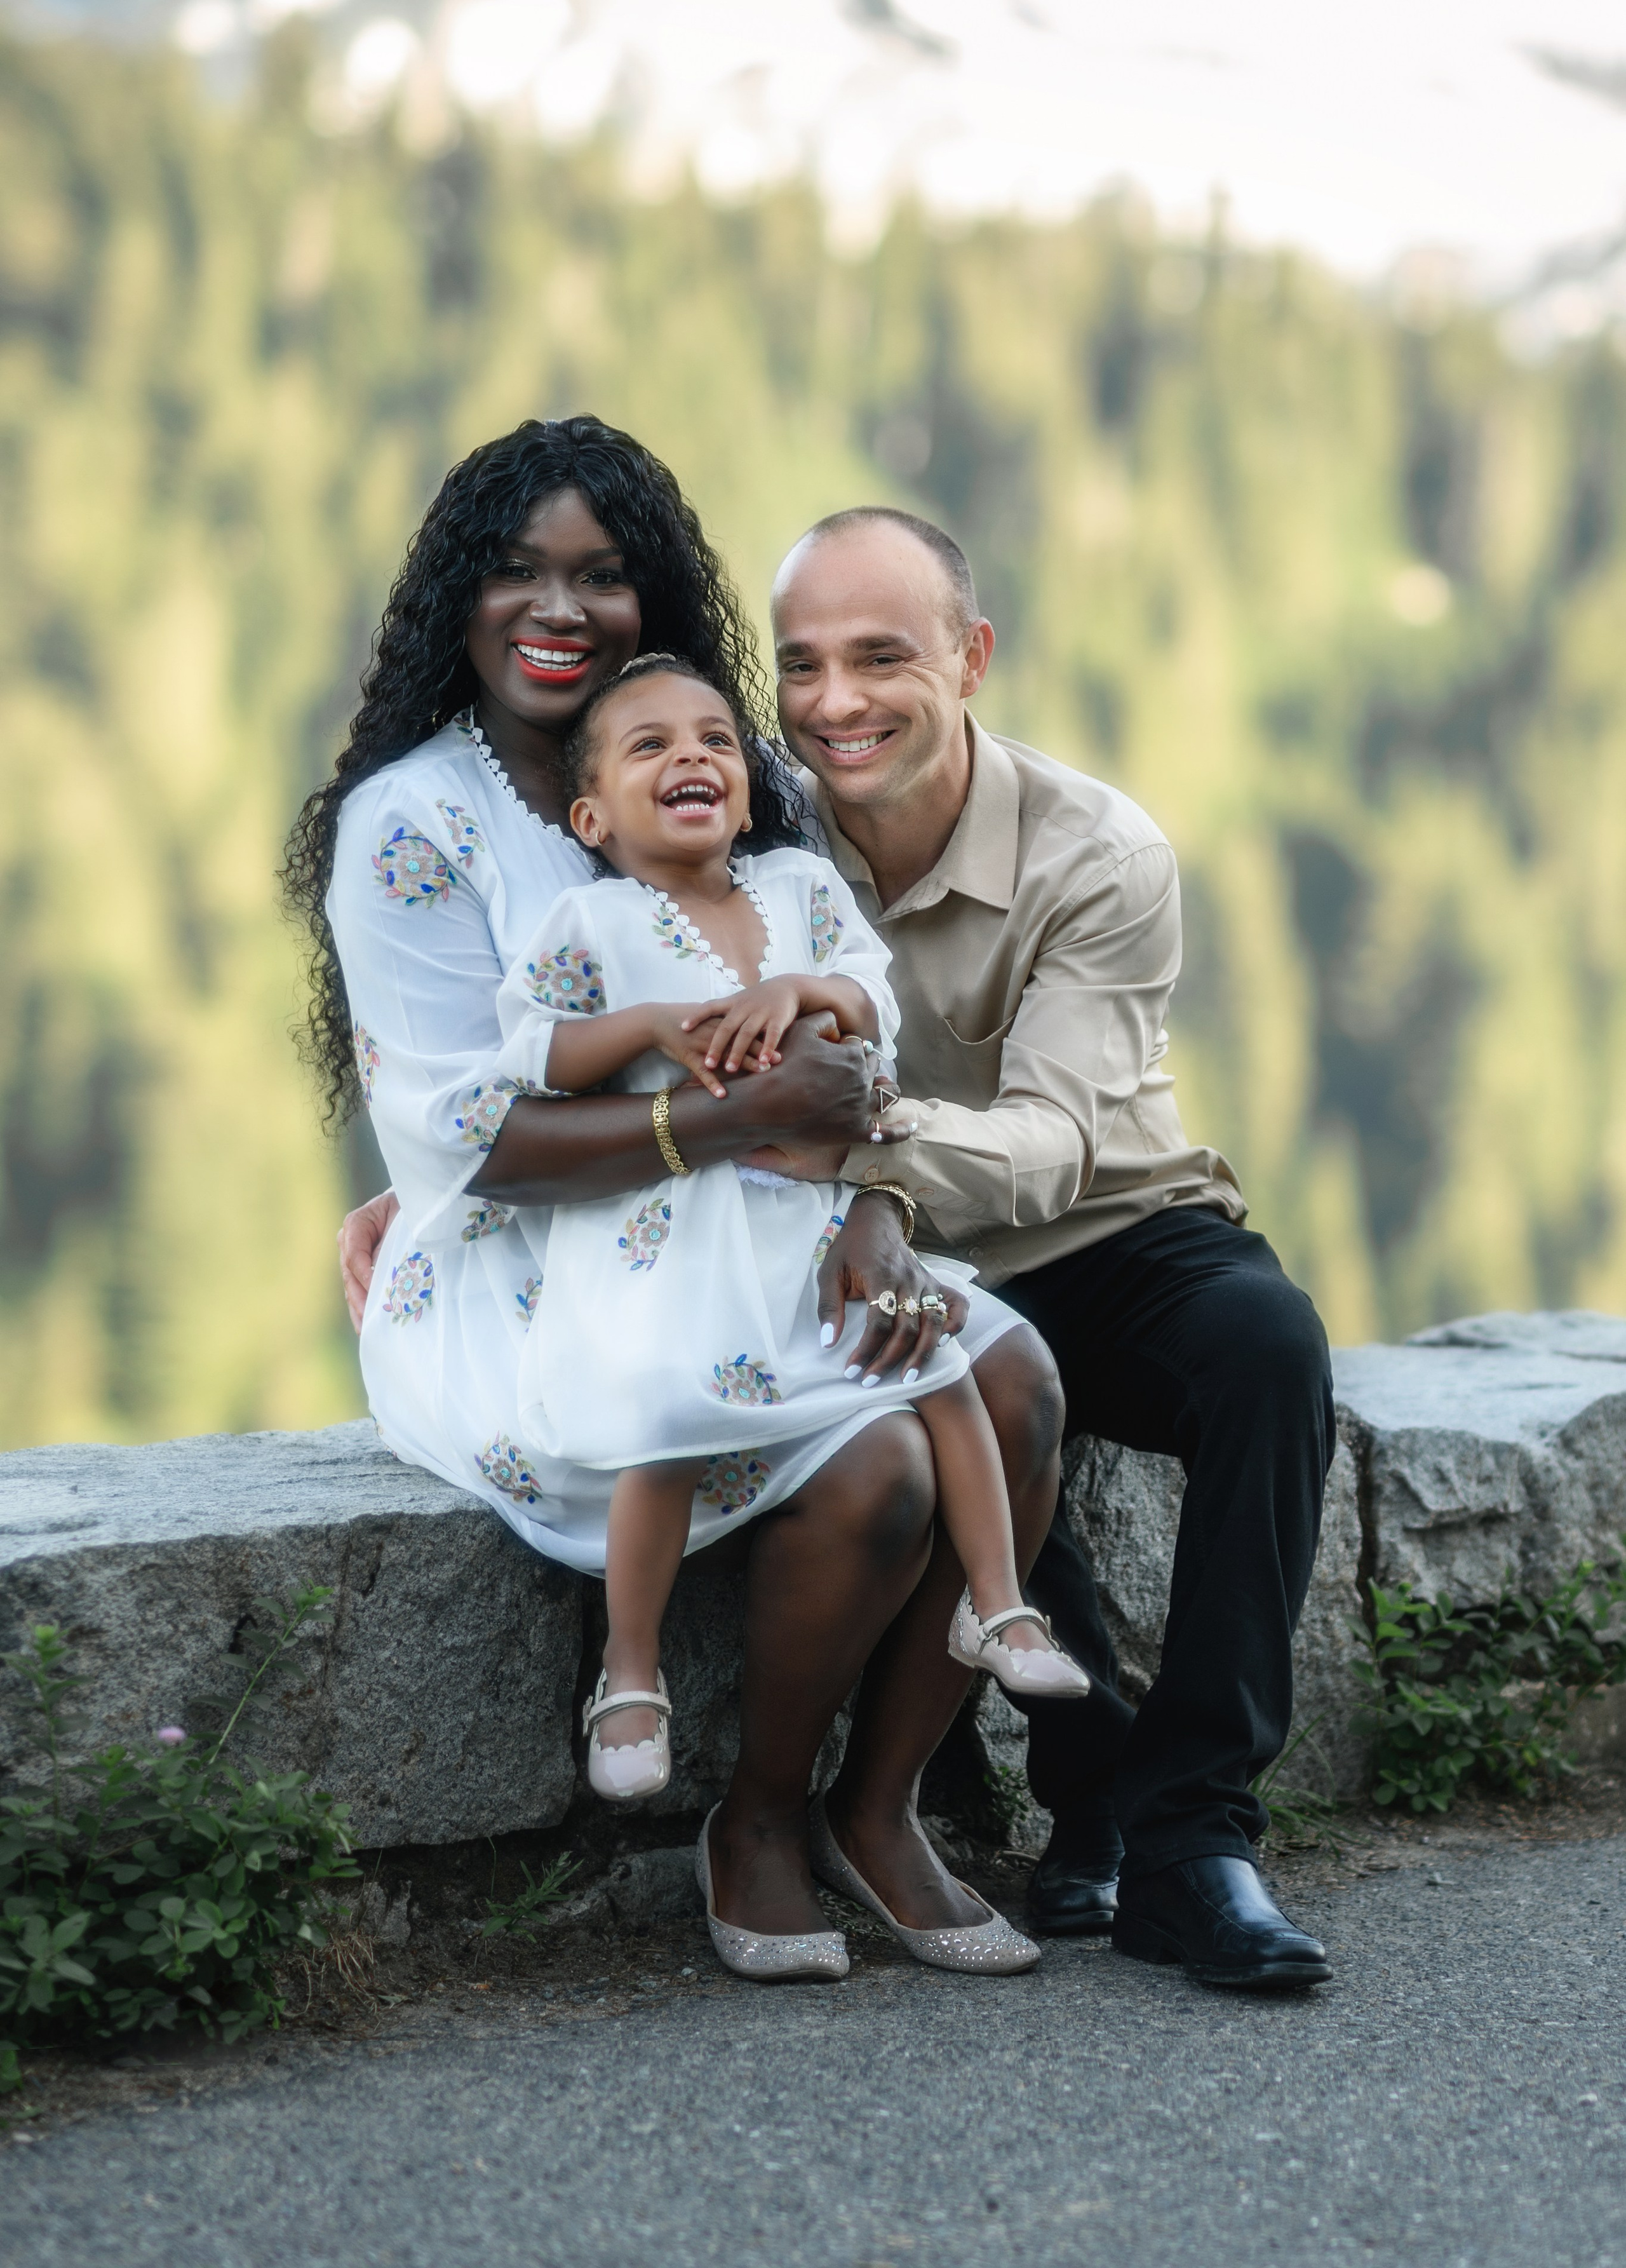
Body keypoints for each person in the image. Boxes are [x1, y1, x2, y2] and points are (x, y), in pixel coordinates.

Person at [337, 477, 1334, 1991]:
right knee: (943, 1398)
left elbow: (1049, 1139)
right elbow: (517, 1074)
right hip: (760, 1228)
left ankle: (1189, 1830)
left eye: (880, 658)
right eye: (800, 666)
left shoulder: (1068, 848)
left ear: (970, 658)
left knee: (1242, 1353)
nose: (834, 703)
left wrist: (866, 1178)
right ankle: (1058, 1800)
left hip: (1074, 1212)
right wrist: (455, 1177)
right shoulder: (741, 807)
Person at [293, 417, 1067, 1983]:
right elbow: (464, 1140)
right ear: (456, 594)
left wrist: (868, 1200)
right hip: (532, 1266)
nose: (556, 607)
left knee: (1015, 1381)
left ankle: (878, 1804)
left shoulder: (734, 771)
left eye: (600, 573)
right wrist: (732, 1117)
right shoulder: (411, 824)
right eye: (514, 570)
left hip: (780, 1213)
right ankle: (757, 1818)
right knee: (872, 1464)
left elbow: (838, 1028)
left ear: (651, 594)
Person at [493, 654, 1090, 1806]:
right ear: (591, 816)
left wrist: (798, 991)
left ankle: (998, 1605)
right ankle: (630, 1669)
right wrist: (649, 1025)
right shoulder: (592, 920)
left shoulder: (798, 888)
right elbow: (534, 1051)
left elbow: (871, 999)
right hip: (671, 1227)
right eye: (651, 746)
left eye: (715, 739)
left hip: (799, 1212)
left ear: (747, 786)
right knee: (668, 1410)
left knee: (941, 1365)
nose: (692, 756)